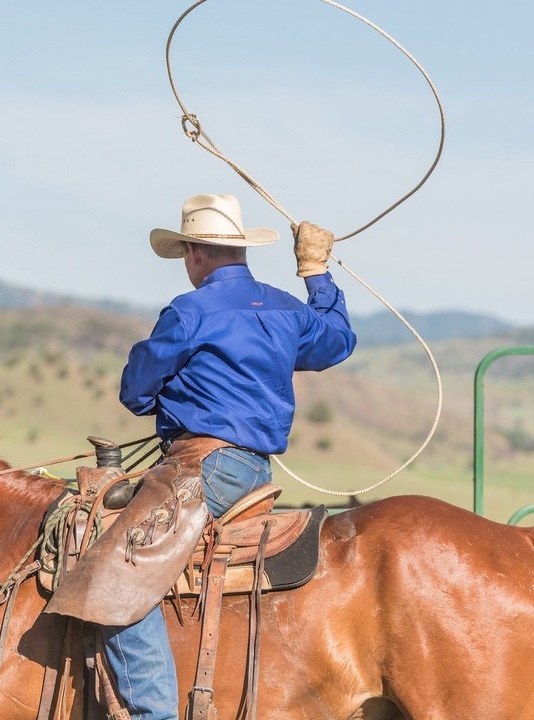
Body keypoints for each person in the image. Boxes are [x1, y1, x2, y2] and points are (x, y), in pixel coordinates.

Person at [106, 193, 357, 720]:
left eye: (185, 255)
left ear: (195, 252)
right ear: (240, 250)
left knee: (119, 569)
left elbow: (134, 390)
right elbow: (336, 338)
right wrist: (316, 273)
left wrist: (168, 396)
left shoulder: (189, 312)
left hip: (204, 468)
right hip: (256, 472)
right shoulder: (285, 309)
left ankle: (154, 713)